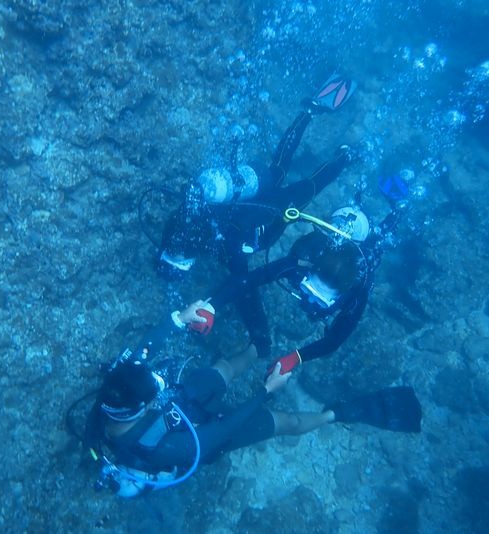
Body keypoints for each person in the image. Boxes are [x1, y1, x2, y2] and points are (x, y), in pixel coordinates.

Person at [81, 301, 422, 498]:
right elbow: (224, 429)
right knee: (288, 422)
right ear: (142, 404)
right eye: (154, 385)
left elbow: (143, 350)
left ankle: (258, 346)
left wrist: (179, 320)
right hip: (202, 436)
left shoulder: (118, 382)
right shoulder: (161, 448)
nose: (158, 379)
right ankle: (335, 415)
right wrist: (265, 392)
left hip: (176, 408)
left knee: (223, 368)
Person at [156, 74, 358, 359]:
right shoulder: (190, 223)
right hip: (252, 194)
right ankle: (311, 112)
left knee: (309, 185)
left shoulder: (219, 243)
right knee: (278, 168)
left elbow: (246, 286)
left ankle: (345, 157)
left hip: (273, 211)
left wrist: (258, 334)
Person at [204, 204, 403, 374]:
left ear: (341, 295)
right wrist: (211, 306)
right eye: (308, 290)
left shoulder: (358, 292)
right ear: (309, 272)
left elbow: (335, 339)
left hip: (362, 258)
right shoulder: (301, 262)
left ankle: (399, 210)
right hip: (322, 245)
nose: (309, 302)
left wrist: (297, 357)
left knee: (376, 247)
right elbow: (250, 280)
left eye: (320, 300)